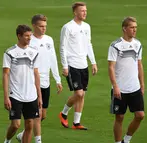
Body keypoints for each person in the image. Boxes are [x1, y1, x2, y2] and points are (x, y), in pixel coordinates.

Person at [16, 14, 63, 143]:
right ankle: (38, 140)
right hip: (33, 83)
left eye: (45, 26)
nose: (44, 29)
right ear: (34, 26)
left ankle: (22, 135)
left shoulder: (49, 40)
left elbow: (52, 59)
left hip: (46, 82)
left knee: (42, 115)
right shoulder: (29, 42)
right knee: (37, 115)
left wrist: (57, 79)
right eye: (41, 26)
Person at [58, 2, 98, 130]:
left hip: (83, 64)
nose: (85, 13)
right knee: (79, 94)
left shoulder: (87, 27)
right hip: (72, 64)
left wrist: (93, 62)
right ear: (75, 12)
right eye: (82, 11)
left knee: (82, 94)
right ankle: (63, 113)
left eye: (86, 10)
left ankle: (76, 123)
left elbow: (89, 44)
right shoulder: (68, 27)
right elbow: (62, 47)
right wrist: (64, 65)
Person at [3, 24, 42, 143]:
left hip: (31, 95)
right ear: (19, 36)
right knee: (16, 125)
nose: (29, 38)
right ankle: (7, 141)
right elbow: (5, 75)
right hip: (16, 94)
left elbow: (36, 73)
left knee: (29, 125)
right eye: (26, 36)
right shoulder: (10, 53)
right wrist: (6, 97)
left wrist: (39, 96)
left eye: (30, 36)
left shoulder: (34, 52)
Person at [108, 16, 145, 143]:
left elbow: (139, 64)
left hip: (134, 87)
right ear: (124, 29)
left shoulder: (138, 44)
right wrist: (115, 86)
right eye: (132, 27)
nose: (134, 30)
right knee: (120, 117)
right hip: (120, 89)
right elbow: (111, 67)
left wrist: (142, 84)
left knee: (140, 115)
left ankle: (127, 139)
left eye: (136, 27)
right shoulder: (116, 46)